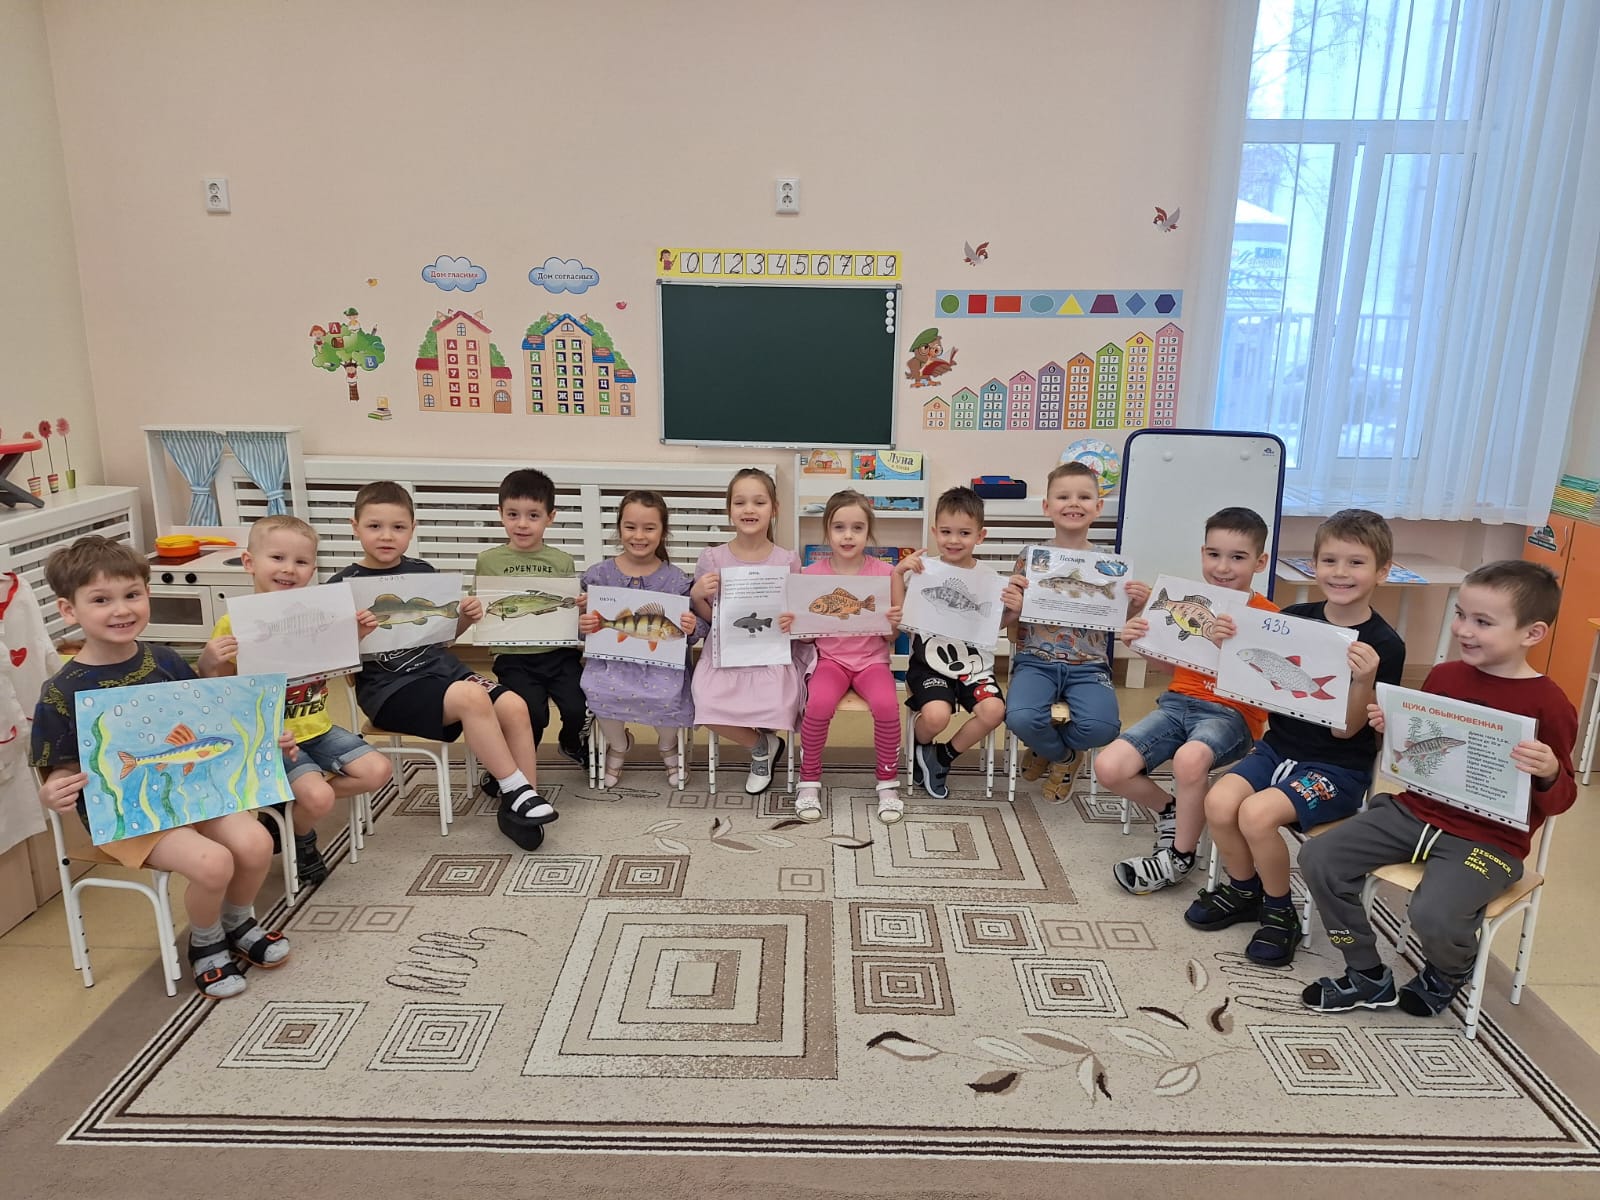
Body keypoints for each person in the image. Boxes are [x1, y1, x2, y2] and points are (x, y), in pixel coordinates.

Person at [1299, 561, 1577, 1016]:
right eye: (1461, 614)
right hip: (1413, 812)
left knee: (1434, 913)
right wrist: (1390, 729)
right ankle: (1366, 973)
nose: (1463, 629)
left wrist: (1548, 771)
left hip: (1491, 839)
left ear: (1532, 633)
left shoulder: (1551, 703)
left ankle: (1449, 971)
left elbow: (1562, 798)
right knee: (1319, 857)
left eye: (1483, 622)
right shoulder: (1444, 676)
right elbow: (1416, 755)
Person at [30, 536, 289, 998]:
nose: (121, 609)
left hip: (194, 793)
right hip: (128, 814)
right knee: (213, 862)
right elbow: (58, 767)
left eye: (132, 594)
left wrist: (265, 740)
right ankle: (206, 942)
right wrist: (54, 789)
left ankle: (237, 922)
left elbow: (206, 724)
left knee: (255, 842)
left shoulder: (165, 660)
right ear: (69, 610)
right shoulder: (62, 690)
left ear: (148, 594)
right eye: (101, 600)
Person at [1185, 508, 1406, 967]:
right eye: (1329, 561)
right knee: (1218, 802)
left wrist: (1365, 680)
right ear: (1314, 565)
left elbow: (1346, 730)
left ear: (1383, 571)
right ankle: (1244, 890)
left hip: (1338, 769)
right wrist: (1228, 643)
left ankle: (1279, 911)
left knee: (1256, 815)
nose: (1340, 573)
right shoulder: (1295, 618)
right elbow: (1255, 683)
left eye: (1356, 562)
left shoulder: (1385, 644)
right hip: (1278, 749)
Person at [328, 480, 554, 849]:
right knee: (470, 697)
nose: (386, 536)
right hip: (390, 690)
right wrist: (357, 634)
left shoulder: (423, 571)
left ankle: (520, 806)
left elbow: (444, 637)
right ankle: (515, 788)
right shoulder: (341, 586)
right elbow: (334, 662)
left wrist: (466, 617)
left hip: (443, 674)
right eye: (374, 526)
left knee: (515, 705)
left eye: (398, 527)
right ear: (355, 527)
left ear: (412, 529)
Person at [197, 515, 392, 886]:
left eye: (301, 562)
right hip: (271, 737)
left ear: (312, 570)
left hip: (316, 726)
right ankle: (302, 837)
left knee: (378, 771)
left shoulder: (316, 615)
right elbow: (216, 693)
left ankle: (287, 812)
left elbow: (335, 664)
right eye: (277, 558)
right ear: (249, 562)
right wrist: (208, 663)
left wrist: (357, 635)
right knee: (318, 796)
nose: (289, 569)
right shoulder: (233, 625)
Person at [1096, 506, 1277, 894]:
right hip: (1177, 703)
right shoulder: (1191, 599)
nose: (1222, 567)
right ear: (1202, 553)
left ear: (1260, 562)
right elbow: (1170, 667)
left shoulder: (1269, 617)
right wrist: (1139, 644)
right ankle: (1173, 811)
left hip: (1233, 715)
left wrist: (1233, 649)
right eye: (1214, 554)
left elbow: (1269, 688)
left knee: (1190, 759)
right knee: (1109, 767)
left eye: (1237, 557)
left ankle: (1180, 855)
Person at [1002, 463, 1149, 801]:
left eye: (1084, 497)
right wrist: (1013, 604)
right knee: (1020, 718)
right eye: (1063, 496)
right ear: (1047, 506)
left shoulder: (1109, 564)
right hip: (1035, 661)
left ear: (1098, 507)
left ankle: (1048, 748)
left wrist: (1136, 606)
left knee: (1103, 728)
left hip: (1089, 666)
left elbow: (1116, 620)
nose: (1073, 503)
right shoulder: (1030, 558)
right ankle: (1065, 757)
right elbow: (1011, 615)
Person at [784, 489, 904, 825]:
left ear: (869, 532)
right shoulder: (810, 575)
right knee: (818, 705)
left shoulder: (885, 573)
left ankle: (888, 783)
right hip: (830, 660)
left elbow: (891, 637)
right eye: (839, 527)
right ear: (827, 530)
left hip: (873, 661)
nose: (848, 536)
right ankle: (809, 781)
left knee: (887, 705)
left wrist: (894, 623)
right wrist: (795, 625)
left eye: (857, 528)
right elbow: (807, 637)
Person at [689, 468, 809, 795]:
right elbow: (711, 619)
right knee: (705, 703)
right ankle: (761, 746)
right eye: (740, 502)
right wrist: (697, 595)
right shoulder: (712, 558)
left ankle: (766, 747)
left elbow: (796, 613)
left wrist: (792, 620)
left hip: (770, 655)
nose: (749, 509)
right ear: (729, 509)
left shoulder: (788, 560)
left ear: (774, 509)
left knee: (780, 703)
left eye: (759, 502)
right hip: (725, 656)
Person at [474, 469, 588, 799]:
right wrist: (473, 609)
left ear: (550, 517)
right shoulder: (488, 561)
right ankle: (511, 769)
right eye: (513, 515)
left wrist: (581, 608)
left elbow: (568, 614)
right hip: (514, 658)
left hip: (559, 654)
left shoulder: (561, 560)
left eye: (533, 516)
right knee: (530, 713)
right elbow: (482, 608)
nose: (522, 524)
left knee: (579, 706)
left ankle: (570, 742)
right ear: (500, 514)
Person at [897, 486, 1015, 800]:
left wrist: (1015, 610)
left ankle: (942, 757)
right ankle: (920, 746)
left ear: (980, 536)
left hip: (974, 668)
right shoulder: (923, 571)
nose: (954, 540)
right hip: (929, 666)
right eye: (946, 531)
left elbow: (991, 626)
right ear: (935, 531)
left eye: (964, 533)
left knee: (994, 711)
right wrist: (898, 574)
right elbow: (899, 616)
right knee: (936, 715)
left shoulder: (989, 578)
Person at [576, 490, 701, 787]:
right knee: (595, 688)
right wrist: (584, 622)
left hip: (661, 667)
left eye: (649, 528)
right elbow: (582, 630)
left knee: (669, 693)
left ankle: (667, 745)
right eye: (630, 527)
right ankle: (619, 745)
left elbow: (694, 634)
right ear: (619, 528)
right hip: (610, 664)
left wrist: (692, 625)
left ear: (663, 531)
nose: (639, 536)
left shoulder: (676, 579)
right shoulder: (598, 575)